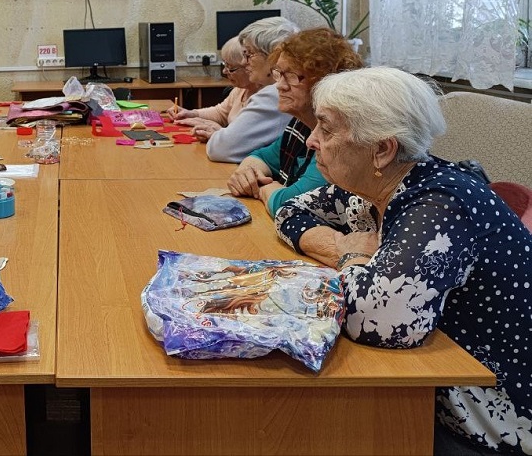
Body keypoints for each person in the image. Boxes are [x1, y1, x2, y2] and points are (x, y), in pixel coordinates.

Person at [274, 67, 532, 455]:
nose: (311, 140)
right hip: (431, 389)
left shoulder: (440, 206)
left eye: (326, 129)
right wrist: (340, 245)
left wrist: (353, 256)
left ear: (382, 149)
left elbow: (379, 322)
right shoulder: (371, 187)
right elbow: (290, 212)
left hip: (490, 421)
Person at [227, 27, 363, 216]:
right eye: (279, 74)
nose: (279, 85)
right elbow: (261, 156)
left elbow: (291, 204)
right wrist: (247, 174)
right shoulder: (300, 124)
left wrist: (265, 188)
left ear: (324, 82)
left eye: (292, 76)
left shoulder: (337, 139)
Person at [170, 34, 291, 162]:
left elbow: (233, 144)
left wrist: (219, 132)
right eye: (224, 65)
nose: (224, 71)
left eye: (231, 68)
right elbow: (221, 112)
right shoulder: (240, 89)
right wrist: (191, 113)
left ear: (247, 67)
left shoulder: (269, 97)